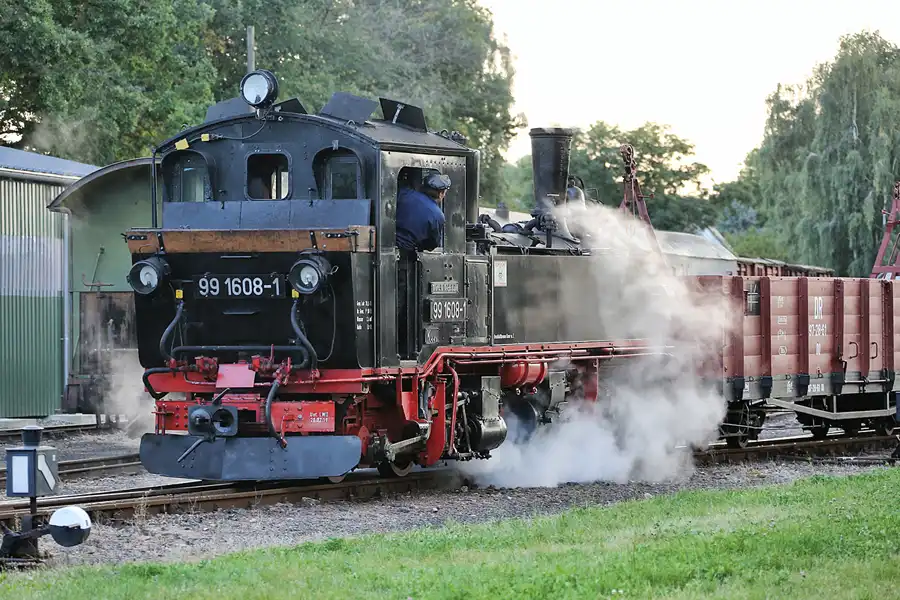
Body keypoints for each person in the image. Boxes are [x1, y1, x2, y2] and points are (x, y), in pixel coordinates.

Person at [395, 172, 450, 252]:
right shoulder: (438, 215)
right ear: (441, 194)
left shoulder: (405, 194)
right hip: (407, 254)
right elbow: (432, 244)